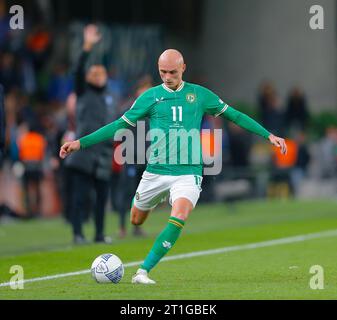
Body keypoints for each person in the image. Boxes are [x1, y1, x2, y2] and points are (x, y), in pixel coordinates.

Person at [60, 49, 287, 284]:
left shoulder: (200, 95)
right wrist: (80, 142)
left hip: (188, 173)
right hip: (156, 172)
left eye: (172, 72)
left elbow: (236, 116)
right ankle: (151, 201)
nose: (167, 77)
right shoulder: (150, 97)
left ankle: (143, 271)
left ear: (183, 68)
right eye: (162, 72)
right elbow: (118, 125)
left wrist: (268, 135)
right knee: (136, 219)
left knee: (179, 215)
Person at [64, 25, 119, 244]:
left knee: (101, 198)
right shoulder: (83, 91)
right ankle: (78, 234)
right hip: (84, 152)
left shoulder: (111, 97)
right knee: (80, 197)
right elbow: (77, 69)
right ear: (88, 77)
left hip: (104, 154)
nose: (98, 76)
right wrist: (87, 46)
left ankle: (98, 234)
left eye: (102, 72)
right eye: (94, 73)